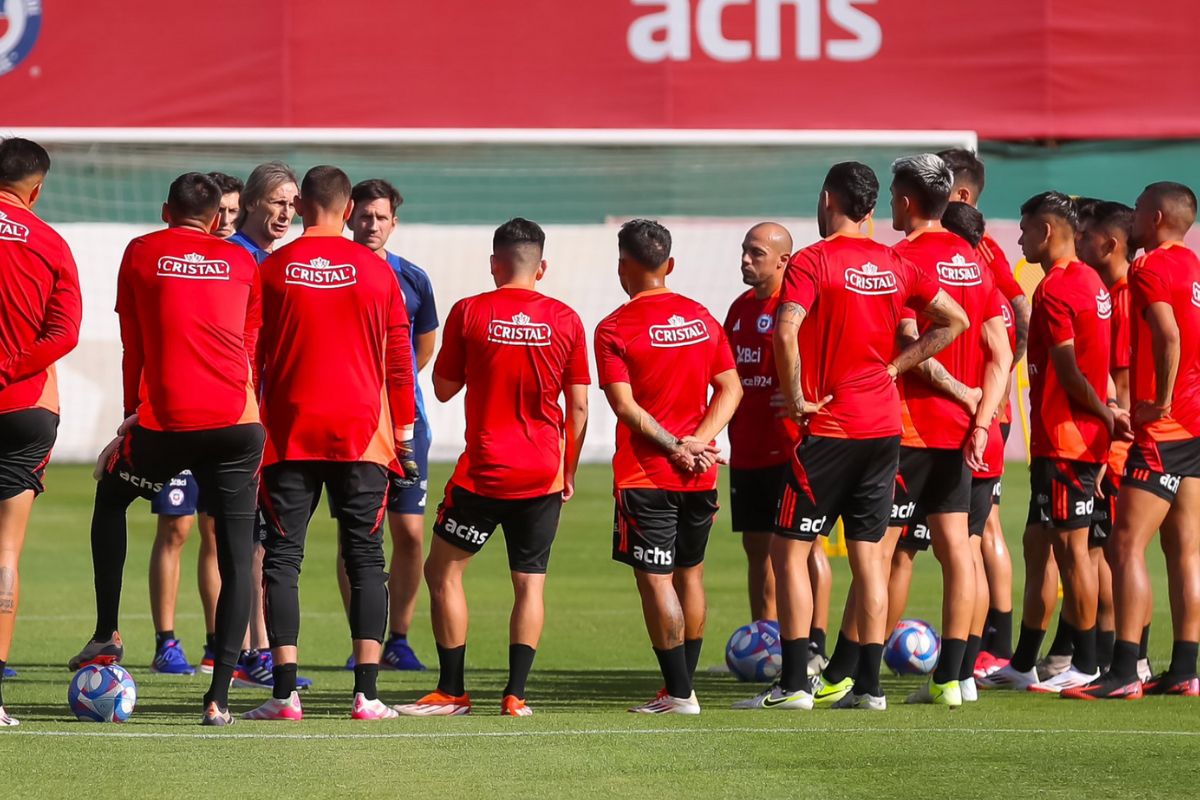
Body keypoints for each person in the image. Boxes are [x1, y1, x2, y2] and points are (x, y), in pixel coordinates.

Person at [735, 162, 968, 712]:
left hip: (830, 427)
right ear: (870, 208)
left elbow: (787, 329)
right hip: (885, 427)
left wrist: (794, 398)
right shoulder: (893, 262)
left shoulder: (814, 261)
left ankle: (794, 685)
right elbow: (952, 320)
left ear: (827, 199)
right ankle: (869, 686)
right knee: (869, 556)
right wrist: (896, 366)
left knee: (788, 552)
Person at [70, 172, 264, 726]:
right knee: (234, 553)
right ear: (218, 219)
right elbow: (249, 344)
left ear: (164, 210)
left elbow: (134, 341)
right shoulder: (243, 261)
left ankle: (107, 633)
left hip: (168, 423)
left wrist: (132, 415)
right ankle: (219, 698)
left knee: (111, 498)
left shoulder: (141, 252)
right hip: (235, 425)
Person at [395, 218, 589, 717]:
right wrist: (568, 471)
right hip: (543, 472)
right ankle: (515, 695)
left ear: (493, 264)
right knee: (529, 583)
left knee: (442, 571)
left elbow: (440, 387)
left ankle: (453, 691)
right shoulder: (567, 319)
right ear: (541, 267)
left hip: (485, 472)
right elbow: (581, 407)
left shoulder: (470, 311)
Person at [243, 165, 417, 722]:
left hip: (289, 435)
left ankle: (284, 695)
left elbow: (250, 355)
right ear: (347, 211)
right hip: (362, 437)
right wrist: (406, 435)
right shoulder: (377, 272)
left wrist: (246, 425)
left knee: (283, 559)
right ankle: (367, 695)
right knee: (366, 557)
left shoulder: (271, 269)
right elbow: (400, 361)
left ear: (302, 206)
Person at [878, 155, 1011, 708]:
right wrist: (981, 419)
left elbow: (914, 345)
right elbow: (1001, 352)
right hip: (966, 432)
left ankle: (861, 676)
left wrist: (952, 393)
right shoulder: (975, 262)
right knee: (962, 550)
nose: (889, 203)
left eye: (892, 194)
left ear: (908, 202)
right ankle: (954, 679)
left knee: (879, 552)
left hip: (907, 429)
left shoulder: (898, 259)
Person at [596, 219, 742, 715]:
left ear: (623, 268)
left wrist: (676, 445)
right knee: (691, 575)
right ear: (670, 265)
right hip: (700, 471)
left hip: (647, 473)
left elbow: (625, 407)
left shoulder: (614, 328)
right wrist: (699, 442)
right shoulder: (701, 317)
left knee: (656, 580)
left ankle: (680, 693)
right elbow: (731, 388)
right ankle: (681, 687)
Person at [1067, 182, 1200, 699]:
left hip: (1165, 428)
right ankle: (1186, 668)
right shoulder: (1192, 268)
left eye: (1141, 210)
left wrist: (1161, 400)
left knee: (1125, 546)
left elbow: (1167, 335)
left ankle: (1125, 671)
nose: (1135, 218)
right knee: (1183, 550)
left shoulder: (1149, 268)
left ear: (1160, 217)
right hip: (1195, 425)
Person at [982, 192, 1117, 693]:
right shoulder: (1089, 282)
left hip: (1068, 442)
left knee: (1071, 551)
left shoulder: (1058, 288)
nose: (1019, 239)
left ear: (1045, 231)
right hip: (1059, 440)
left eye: (1024, 230)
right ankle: (1023, 661)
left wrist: (1104, 416)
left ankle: (1085, 662)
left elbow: (1070, 369)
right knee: (1037, 545)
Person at [722, 222, 833, 672]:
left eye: (756, 253)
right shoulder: (737, 309)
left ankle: (814, 647)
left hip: (793, 449)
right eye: (744, 251)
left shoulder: (801, 308)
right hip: (746, 448)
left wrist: (801, 394)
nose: (746, 260)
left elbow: (829, 364)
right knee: (756, 548)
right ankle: (762, 643)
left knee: (807, 549)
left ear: (784, 260)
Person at [339, 179, 437, 673]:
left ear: (394, 221)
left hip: (405, 422)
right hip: (351, 425)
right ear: (348, 215)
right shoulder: (334, 272)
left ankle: (398, 636)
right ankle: (363, 636)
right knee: (355, 534)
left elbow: (425, 345)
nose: (371, 224)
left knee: (411, 534)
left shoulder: (413, 279)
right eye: (364, 215)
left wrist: (391, 387)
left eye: (381, 217)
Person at [0, 138, 83, 726]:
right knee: (5, 550)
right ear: (37, 188)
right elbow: (65, 333)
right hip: (24, 406)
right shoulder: (51, 243)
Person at [938, 148, 1030, 674]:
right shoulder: (985, 251)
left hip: (974, 404)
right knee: (972, 530)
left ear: (961, 196)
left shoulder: (976, 250)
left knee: (978, 529)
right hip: (985, 401)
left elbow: (1021, 314)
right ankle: (980, 649)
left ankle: (990, 645)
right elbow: (1019, 313)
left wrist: (988, 382)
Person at [148, 172, 243, 675]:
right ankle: (166, 641)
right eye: (220, 212)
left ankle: (216, 644)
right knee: (176, 528)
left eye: (233, 212)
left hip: (226, 420)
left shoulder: (241, 264)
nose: (225, 221)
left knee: (217, 533)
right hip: (171, 415)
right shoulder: (173, 258)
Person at [222, 162, 305, 690]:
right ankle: (252, 652)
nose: (286, 212)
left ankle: (258, 651)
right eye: (277, 201)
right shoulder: (235, 259)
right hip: (238, 413)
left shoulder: (279, 262)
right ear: (251, 201)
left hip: (277, 417)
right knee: (248, 539)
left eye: (293, 203)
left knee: (263, 538)